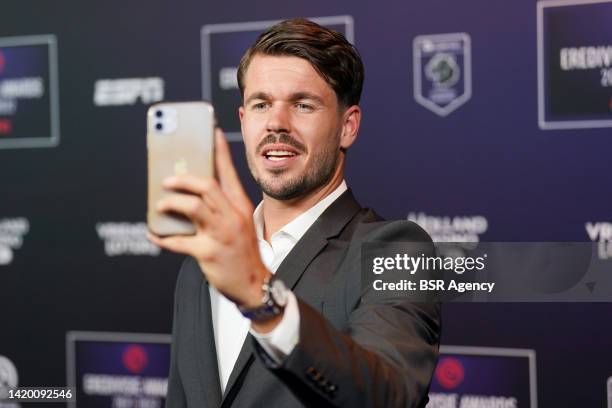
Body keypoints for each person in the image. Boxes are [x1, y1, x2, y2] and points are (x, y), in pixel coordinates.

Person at [148, 18, 441, 408]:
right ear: (243, 120)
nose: (276, 124)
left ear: (347, 126)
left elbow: (389, 396)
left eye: (303, 105)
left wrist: (260, 298)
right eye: (261, 104)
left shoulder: (396, 251)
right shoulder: (201, 268)